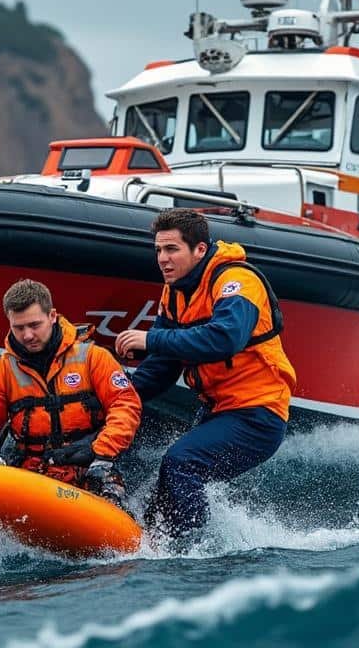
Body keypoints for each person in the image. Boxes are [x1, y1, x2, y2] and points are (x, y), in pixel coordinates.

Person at [115, 208, 295, 536]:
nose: (162, 259)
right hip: (217, 410)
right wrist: (115, 396)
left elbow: (226, 338)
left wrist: (150, 339)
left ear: (200, 249)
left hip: (258, 415)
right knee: (165, 486)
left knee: (182, 463)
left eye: (172, 249)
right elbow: (162, 367)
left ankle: (194, 549)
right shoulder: (175, 292)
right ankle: (150, 540)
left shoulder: (237, 281)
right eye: (158, 250)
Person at [0, 279, 141, 506]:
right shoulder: (0, 371)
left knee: (112, 504)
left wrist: (103, 452)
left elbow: (125, 405)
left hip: (92, 466)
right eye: (19, 328)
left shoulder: (93, 358)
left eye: (34, 325)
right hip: (30, 475)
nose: (27, 335)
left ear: (52, 316)